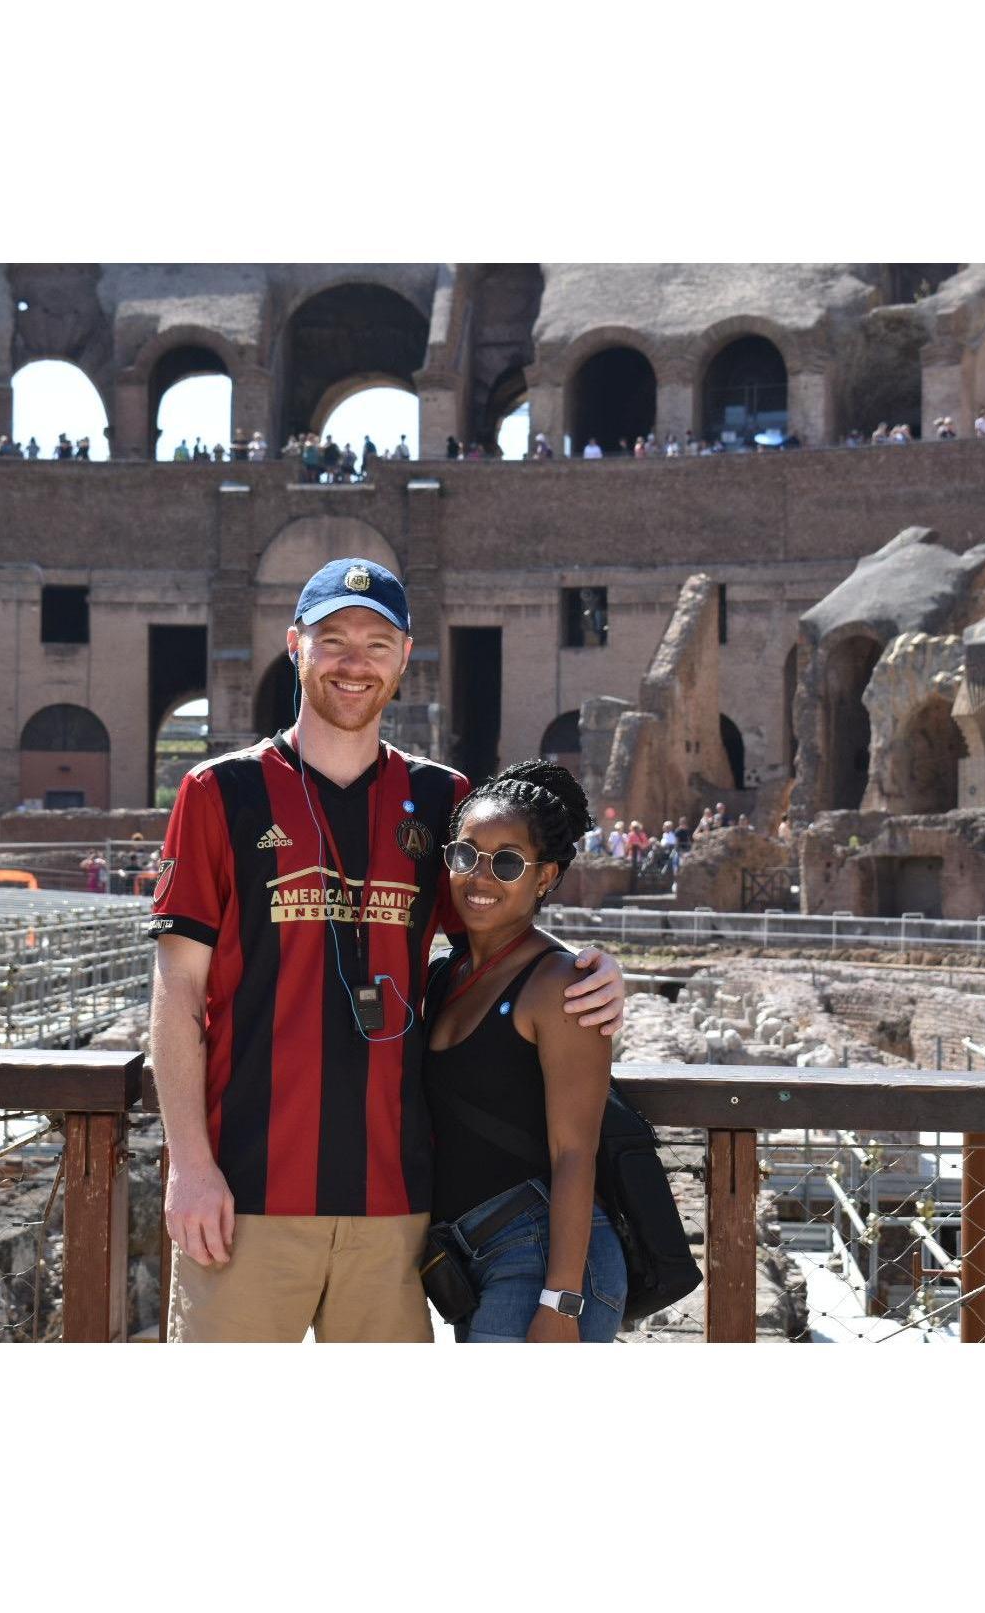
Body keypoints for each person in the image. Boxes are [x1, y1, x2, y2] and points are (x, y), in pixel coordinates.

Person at [148, 557, 626, 1343]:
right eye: (333, 639)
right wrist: (190, 1166)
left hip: (394, 1204)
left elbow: (495, 935)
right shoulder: (218, 792)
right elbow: (176, 992)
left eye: (377, 643)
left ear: (405, 657)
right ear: (295, 645)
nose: (354, 662)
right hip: (243, 1196)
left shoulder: (441, 799)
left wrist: (595, 967)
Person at [422, 761, 627, 1342]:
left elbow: (573, 1153)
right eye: (465, 855)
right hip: (471, 1253)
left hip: (543, 1256)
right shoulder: (445, 976)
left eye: (507, 862)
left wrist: (562, 1301)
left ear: (545, 876)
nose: (479, 877)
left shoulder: (559, 984)